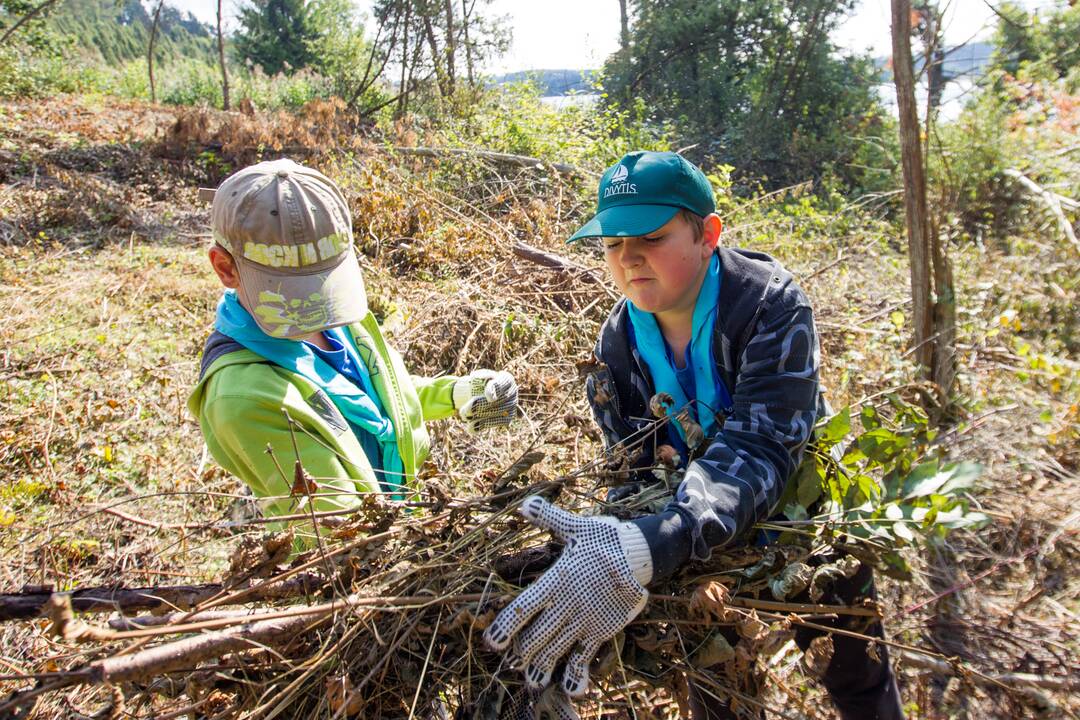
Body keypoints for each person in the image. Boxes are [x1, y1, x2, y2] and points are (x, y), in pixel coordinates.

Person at [484, 151, 904, 719]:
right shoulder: (617, 344)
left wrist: (661, 538)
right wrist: (615, 543)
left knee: (857, 674)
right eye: (611, 244)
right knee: (717, 694)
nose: (628, 258)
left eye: (651, 237)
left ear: (707, 234)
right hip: (694, 557)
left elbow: (763, 446)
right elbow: (629, 470)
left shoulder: (767, 305)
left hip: (800, 521)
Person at [188, 159, 518, 544]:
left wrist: (453, 393)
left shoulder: (336, 318)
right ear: (225, 269)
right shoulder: (243, 399)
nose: (313, 308)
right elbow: (340, 533)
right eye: (290, 291)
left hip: (398, 524)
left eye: (321, 283)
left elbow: (365, 396)